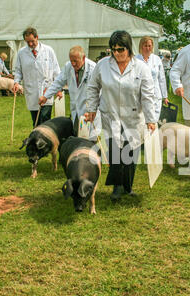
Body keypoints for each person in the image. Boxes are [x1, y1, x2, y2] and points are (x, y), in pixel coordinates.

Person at [85, 30, 157, 201]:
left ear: (129, 48)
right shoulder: (102, 65)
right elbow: (93, 87)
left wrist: (151, 119)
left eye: (120, 50)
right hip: (111, 116)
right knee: (116, 153)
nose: (117, 54)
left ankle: (128, 187)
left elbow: (147, 96)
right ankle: (117, 188)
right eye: (114, 50)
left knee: (131, 155)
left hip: (133, 118)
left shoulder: (141, 68)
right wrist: (92, 108)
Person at [39, 45, 99, 139]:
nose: (73, 64)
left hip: (89, 110)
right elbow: (58, 82)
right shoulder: (68, 66)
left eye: (76, 61)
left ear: (83, 58)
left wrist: (92, 109)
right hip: (76, 108)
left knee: (89, 138)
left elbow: (97, 93)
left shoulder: (93, 69)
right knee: (76, 134)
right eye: (71, 61)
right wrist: (46, 96)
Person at [13, 27, 60, 127]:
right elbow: (18, 70)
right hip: (32, 92)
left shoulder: (48, 51)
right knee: (36, 121)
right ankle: (37, 140)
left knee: (45, 119)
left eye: (32, 41)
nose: (30, 44)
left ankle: (45, 140)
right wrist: (16, 82)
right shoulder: (21, 53)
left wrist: (58, 89)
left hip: (46, 90)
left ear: (37, 37)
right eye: (27, 42)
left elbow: (56, 70)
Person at [136, 36, 169, 121]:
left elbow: (161, 79)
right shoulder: (136, 60)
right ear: (141, 46)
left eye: (149, 46)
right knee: (142, 121)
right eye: (145, 46)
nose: (147, 48)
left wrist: (165, 96)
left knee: (154, 121)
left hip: (156, 95)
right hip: (141, 96)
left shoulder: (157, 59)